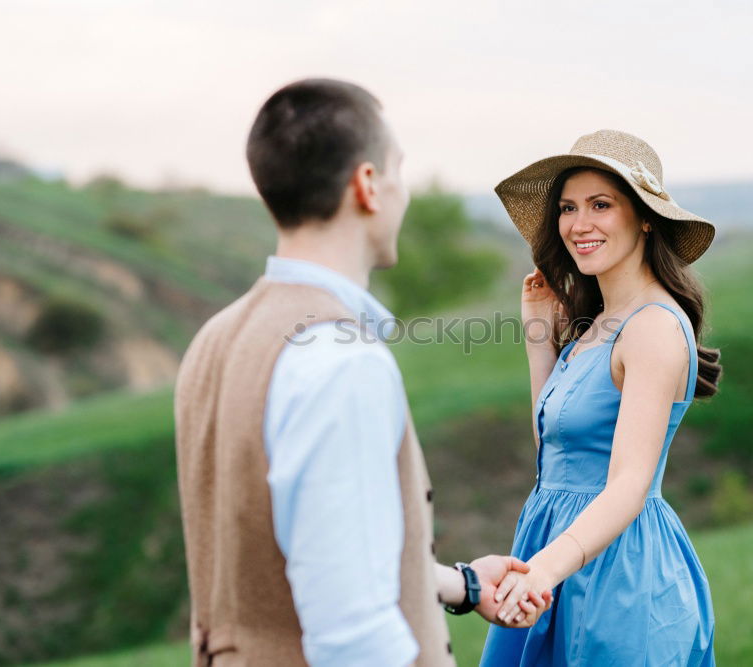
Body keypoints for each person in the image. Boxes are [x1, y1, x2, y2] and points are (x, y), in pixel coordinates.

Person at [173, 78, 551, 667]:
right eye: (397, 169)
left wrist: (464, 585)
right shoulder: (339, 359)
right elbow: (353, 633)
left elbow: (312, 555)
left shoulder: (215, 338)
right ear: (368, 185)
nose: (404, 191)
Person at [478, 129, 722, 665]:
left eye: (600, 205)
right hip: (555, 548)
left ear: (646, 217)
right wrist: (540, 338)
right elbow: (557, 450)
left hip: (615, 570)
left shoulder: (653, 327)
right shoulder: (594, 326)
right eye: (568, 208)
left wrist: (544, 569)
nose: (578, 224)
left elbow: (628, 485)